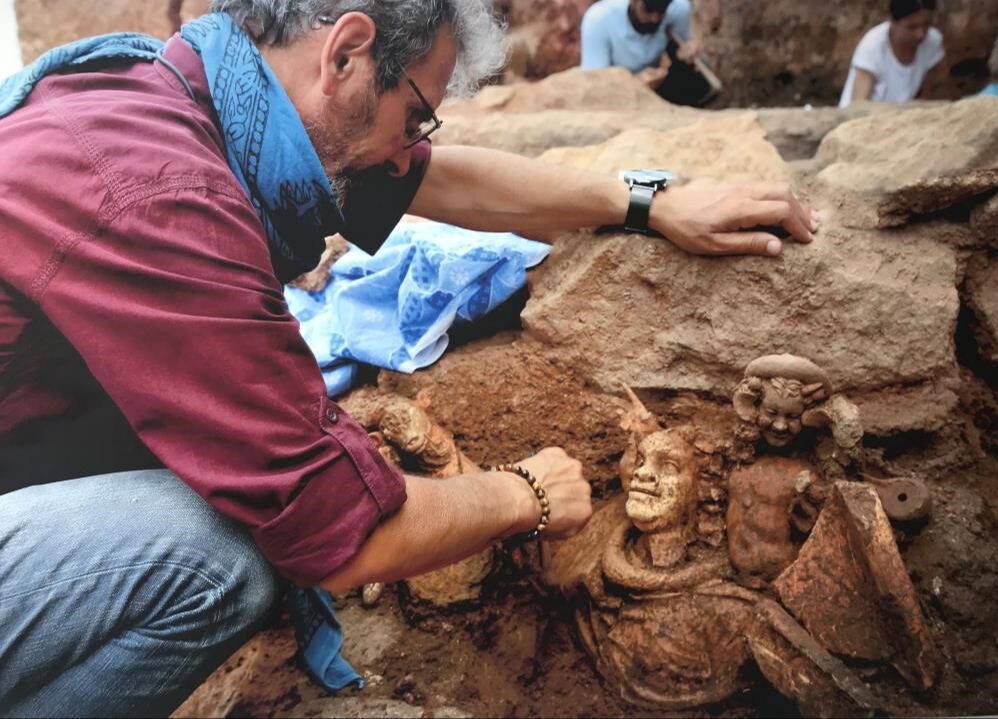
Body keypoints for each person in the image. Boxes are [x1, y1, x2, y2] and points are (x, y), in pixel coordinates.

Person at [0, 0, 819, 715]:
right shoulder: (163, 194)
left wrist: (644, 202)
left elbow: (438, 181)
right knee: (225, 557)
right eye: (416, 113)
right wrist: (526, 492)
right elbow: (332, 529)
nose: (407, 151)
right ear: (346, 52)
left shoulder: (192, 95)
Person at [579, 0, 707, 105]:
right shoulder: (599, 20)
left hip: (658, 88)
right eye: (649, 10)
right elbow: (594, 86)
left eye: (662, 10)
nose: (655, 18)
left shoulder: (678, 9)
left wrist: (687, 52)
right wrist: (636, 84)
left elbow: (683, 47)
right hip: (617, 93)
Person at [839, 0, 945, 108]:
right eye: (911, 27)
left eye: (926, 24)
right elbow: (859, 103)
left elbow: (927, 93)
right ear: (892, 20)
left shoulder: (932, 41)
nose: (920, 34)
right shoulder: (873, 46)